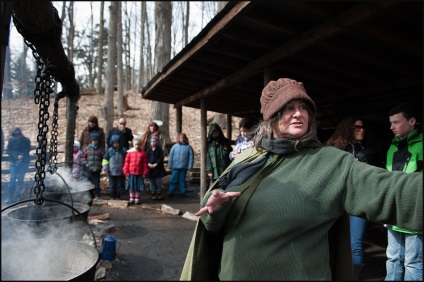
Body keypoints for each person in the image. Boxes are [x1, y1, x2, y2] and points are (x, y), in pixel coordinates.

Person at [181, 78, 423, 281]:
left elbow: (395, 192)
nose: (298, 113)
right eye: (288, 108)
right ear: (271, 117)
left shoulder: (332, 163)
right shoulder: (248, 159)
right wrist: (216, 211)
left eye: (303, 107)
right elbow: (213, 223)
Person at [325, 116, 384, 280]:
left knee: (355, 244)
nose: (361, 130)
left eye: (363, 127)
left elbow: (377, 177)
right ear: (347, 130)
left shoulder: (370, 152)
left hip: (360, 202)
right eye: (357, 127)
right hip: (337, 202)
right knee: (333, 242)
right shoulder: (335, 150)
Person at [384, 102, 423, 281]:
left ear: (412, 121)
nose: (391, 127)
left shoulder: (421, 146)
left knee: (412, 262)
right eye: (390, 123)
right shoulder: (393, 147)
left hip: (414, 213)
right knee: (392, 258)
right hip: (393, 212)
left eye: (396, 122)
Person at [6, 127, 31, 202]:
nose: (16, 137)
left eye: (18, 135)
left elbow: (27, 150)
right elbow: (9, 150)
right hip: (13, 162)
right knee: (12, 179)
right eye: (15, 135)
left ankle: (18, 197)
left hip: (23, 163)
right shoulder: (11, 141)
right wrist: (16, 155)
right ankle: (10, 198)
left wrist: (22, 155)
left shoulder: (26, 140)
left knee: (20, 179)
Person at [167, 133, 194, 197]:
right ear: (179, 139)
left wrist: (190, 166)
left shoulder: (188, 147)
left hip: (183, 167)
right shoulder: (174, 146)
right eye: (181, 138)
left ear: (186, 138)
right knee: (173, 179)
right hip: (175, 166)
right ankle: (171, 191)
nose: (182, 139)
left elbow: (191, 158)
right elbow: (171, 156)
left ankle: (183, 192)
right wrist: (170, 165)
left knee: (182, 180)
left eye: (184, 138)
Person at [123, 139, 148, 205]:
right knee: (131, 186)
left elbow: (145, 163)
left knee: (138, 186)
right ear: (133, 145)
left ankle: (137, 198)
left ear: (140, 145)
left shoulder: (143, 153)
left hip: (139, 173)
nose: (137, 146)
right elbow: (126, 162)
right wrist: (126, 171)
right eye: (136, 144)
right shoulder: (129, 153)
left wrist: (144, 172)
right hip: (131, 172)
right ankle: (131, 198)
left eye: (138, 144)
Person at [102, 134, 127, 200]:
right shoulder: (109, 150)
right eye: (114, 143)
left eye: (117, 143)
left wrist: (126, 169)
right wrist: (105, 168)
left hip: (120, 171)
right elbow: (105, 160)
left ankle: (118, 196)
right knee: (112, 185)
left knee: (119, 185)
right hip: (111, 171)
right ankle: (112, 196)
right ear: (112, 143)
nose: (115, 144)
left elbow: (127, 160)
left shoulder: (123, 150)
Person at [81, 133, 105, 199]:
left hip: (97, 168)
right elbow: (82, 157)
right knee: (89, 181)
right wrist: (85, 163)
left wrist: (101, 165)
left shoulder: (101, 149)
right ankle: (90, 194)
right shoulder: (87, 149)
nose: (95, 141)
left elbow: (104, 158)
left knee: (97, 182)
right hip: (89, 168)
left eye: (96, 140)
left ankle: (97, 194)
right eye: (93, 140)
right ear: (91, 140)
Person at [146, 135, 167, 200]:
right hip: (150, 168)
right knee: (151, 182)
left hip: (158, 168)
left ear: (156, 142)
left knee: (158, 181)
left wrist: (156, 164)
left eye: (154, 141)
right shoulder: (148, 150)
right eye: (151, 141)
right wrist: (148, 163)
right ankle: (153, 192)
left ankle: (159, 192)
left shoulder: (159, 150)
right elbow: (146, 158)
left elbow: (161, 158)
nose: (152, 143)